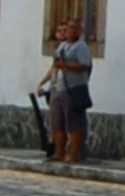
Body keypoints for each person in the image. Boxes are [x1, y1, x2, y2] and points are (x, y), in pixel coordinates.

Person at [39, 17, 93, 164]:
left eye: (75, 28)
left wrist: (65, 66)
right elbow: (55, 66)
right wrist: (44, 85)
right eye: (69, 28)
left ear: (80, 31)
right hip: (58, 88)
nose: (71, 31)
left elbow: (84, 66)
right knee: (57, 123)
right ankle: (59, 152)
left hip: (73, 88)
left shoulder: (81, 47)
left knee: (74, 123)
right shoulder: (62, 46)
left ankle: (74, 154)